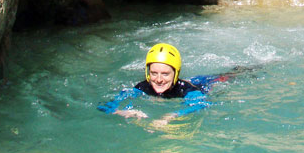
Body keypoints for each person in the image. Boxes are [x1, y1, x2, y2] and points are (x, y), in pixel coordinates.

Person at [98, 43, 231, 127]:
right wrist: (121, 111)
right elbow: (104, 106)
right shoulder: (142, 87)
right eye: (154, 73)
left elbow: (201, 104)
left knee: (222, 78)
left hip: (203, 83)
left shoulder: (187, 89)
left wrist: (170, 115)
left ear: (175, 74)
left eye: (165, 74)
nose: (159, 80)